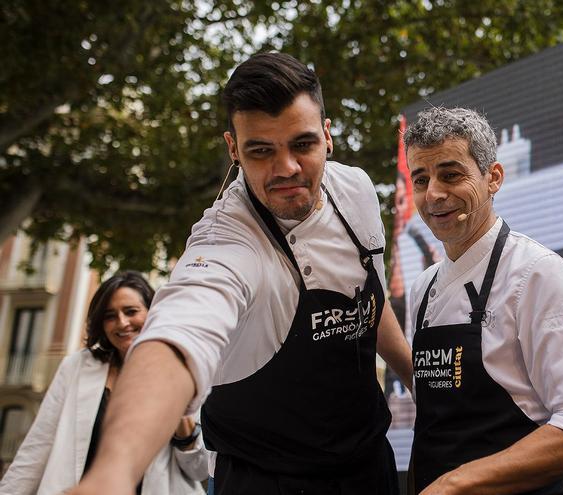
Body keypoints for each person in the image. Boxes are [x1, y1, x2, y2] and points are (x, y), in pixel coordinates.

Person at [69, 53, 413, 495]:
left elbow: (367, 302)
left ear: (327, 136)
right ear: (233, 148)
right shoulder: (225, 240)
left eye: (302, 144)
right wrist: (113, 473)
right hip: (265, 479)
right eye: (261, 150)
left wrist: (416, 381)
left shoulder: (356, 190)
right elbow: (176, 339)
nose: (286, 168)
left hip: (367, 465)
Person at [403, 107, 563, 494]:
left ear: (494, 178)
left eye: (451, 175)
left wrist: (457, 483)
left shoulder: (536, 273)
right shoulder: (423, 288)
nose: (433, 193)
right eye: (421, 179)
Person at [0, 271, 209, 495]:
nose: (122, 323)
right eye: (110, 316)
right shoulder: (76, 367)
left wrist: (184, 427)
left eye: (131, 311)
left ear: (152, 313)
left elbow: (200, 470)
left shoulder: (181, 368)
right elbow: (37, 447)